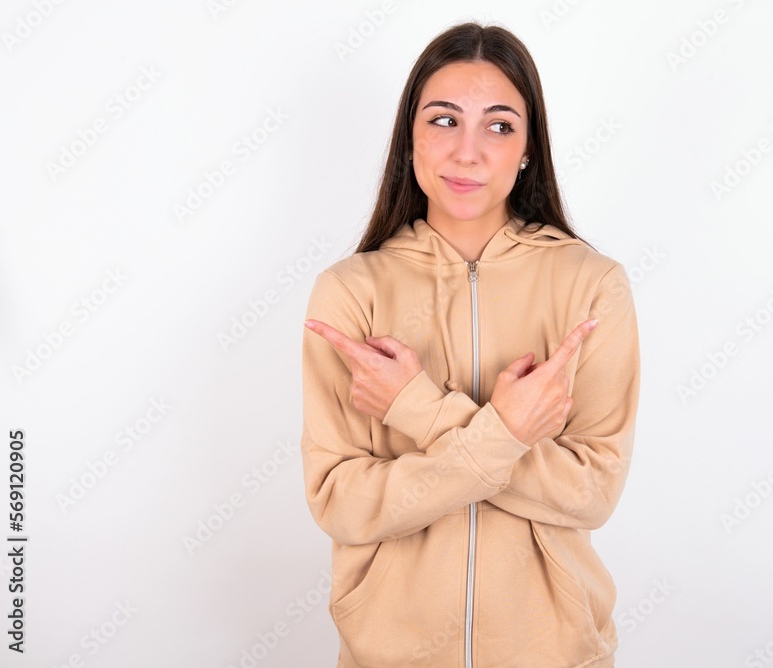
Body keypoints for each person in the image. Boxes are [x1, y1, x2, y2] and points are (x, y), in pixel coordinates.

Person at [300, 20, 640, 667]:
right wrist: (507, 431)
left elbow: (592, 493)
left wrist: (418, 408)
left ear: (528, 149)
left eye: (500, 125)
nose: (468, 153)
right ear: (409, 138)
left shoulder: (593, 286)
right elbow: (341, 502)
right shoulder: (349, 292)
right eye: (445, 120)